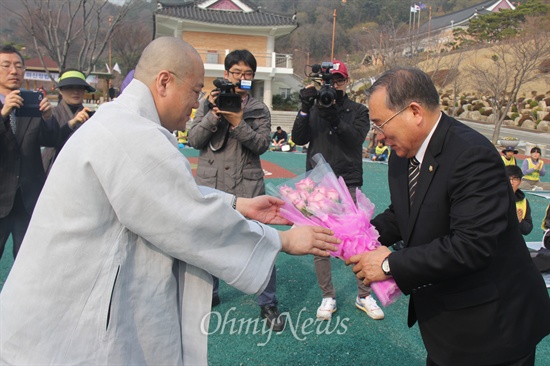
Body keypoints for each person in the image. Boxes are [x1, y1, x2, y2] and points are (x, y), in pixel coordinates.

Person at [0, 37, 340, 365]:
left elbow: (168, 196)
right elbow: (186, 219)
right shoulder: (130, 133)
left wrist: (236, 204)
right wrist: (282, 239)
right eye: (194, 92)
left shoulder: (121, 123)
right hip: (67, 326)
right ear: (164, 82)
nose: (197, 103)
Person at [347, 67, 550, 365]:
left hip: (493, 327)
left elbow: (471, 245)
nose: (378, 136)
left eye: (380, 124)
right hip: (448, 324)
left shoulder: (472, 155)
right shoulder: (402, 155)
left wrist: (389, 264)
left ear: (415, 111)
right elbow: (405, 214)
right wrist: (353, 234)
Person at [187, 49, 285, 331]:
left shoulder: (258, 109)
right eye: (236, 73)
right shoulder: (208, 104)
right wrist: (214, 115)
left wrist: (237, 123)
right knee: (209, 242)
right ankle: (210, 293)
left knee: (260, 242)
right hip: (213, 184)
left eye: (247, 74)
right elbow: (194, 140)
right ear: (226, 74)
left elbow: (262, 145)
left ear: (252, 78)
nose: (241, 78)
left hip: (248, 186)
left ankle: (268, 302)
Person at [292, 59, 384, 321]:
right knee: (320, 241)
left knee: (359, 238)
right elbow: (298, 138)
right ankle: (327, 295)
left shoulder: (358, 110)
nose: (333, 86)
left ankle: (364, 294)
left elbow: (354, 139)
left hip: (347, 180)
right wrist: (304, 107)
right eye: (328, 81)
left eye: (339, 80)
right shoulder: (313, 108)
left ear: (346, 81)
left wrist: (333, 115)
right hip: (318, 183)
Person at [0, 44, 59, 260]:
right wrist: (3, 114)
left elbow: (51, 140)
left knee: (26, 261)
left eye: (18, 66)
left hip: (28, 198)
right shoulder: (5, 108)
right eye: (6, 66)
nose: (13, 71)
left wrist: (47, 117)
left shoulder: (31, 105)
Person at [42, 68, 96, 174]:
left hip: (81, 170)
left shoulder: (90, 115)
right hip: (55, 169)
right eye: (70, 87)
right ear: (60, 90)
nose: (75, 92)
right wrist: (72, 123)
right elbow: (51, 141)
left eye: (80, 88)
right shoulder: (51, 114)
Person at [506, 165, 533, 235]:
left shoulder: (524, 202)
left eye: (515, 179)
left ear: (520, 182)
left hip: (513, 241)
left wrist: (520, 221)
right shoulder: (493, 198)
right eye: (508, 179)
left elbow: (527, 229)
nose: (511, 182)